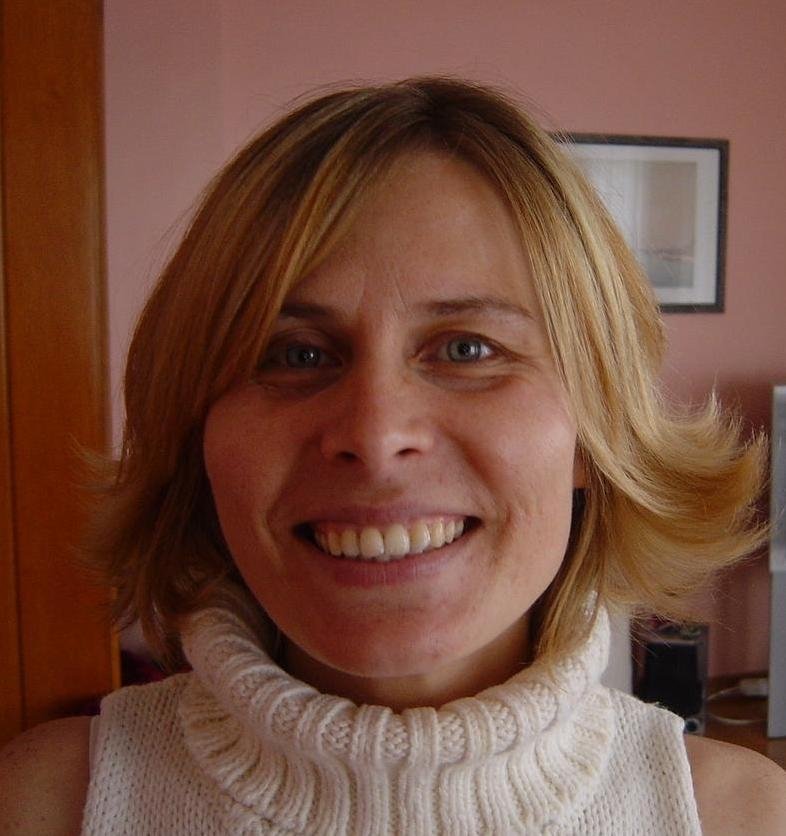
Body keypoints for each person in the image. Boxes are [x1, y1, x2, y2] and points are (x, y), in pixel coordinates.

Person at [1, 76, 785, 835]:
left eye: (467, 348)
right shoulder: (48, 803)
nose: (375, 435)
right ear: (198, 434)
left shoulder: (742, 816)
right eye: (296, 354)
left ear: (595, 428)